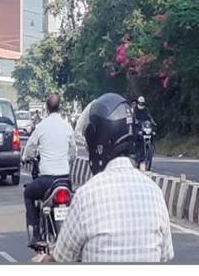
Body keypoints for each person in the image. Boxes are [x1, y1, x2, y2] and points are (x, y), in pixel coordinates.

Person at [47, 93, 174, 263]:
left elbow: (61, 258)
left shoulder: (87, 196)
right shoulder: (155, 193)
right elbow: (165, 255)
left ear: (96, 140)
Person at [22, 93, 78, 250]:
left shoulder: (41, 127)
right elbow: (73, 152)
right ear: (59, 107)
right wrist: (68, 162)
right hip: (64, 180)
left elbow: (30, 149)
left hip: (46, 181)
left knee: (28, 194)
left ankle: (35, 234)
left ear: (46, 108)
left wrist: (26, 158)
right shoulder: (67, 127)